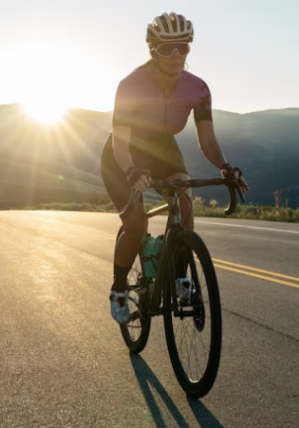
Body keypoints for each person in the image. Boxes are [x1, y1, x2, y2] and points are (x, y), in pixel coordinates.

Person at [103, 12, 250, 324]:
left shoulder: (198, 88)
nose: (176, 54)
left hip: (163, 149)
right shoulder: (131, 85)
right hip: (124, 152)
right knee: (136, 225)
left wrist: (225, 167)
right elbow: (120, 143)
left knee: (184, 199)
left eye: (182, 47)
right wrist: (131, 170)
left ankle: (182, 279)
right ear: (153, 49)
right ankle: (118, 289)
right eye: (167, 48)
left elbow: (208, 141)